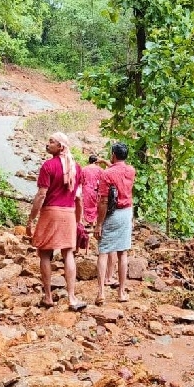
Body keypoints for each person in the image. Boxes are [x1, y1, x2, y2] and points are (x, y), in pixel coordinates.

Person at [26, 132, 87, 311]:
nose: (47, 144)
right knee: (68, 253)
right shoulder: (76, 168)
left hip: (51, 212)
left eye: (51, 141)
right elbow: (78, 198)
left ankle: (48, 296)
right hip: (68, 213)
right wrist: (78, 220)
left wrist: (31, 218)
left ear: (60, 146)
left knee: (44, 253)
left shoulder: (48, 166)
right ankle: (72, 297)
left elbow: (41, 194)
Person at [94, 142, 136, 305]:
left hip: (112, 214)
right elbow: (118, 169)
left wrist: (99, 224)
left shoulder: (107, 174)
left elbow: (104, 201)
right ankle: (121, 292)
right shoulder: (131, 171)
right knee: (122, 253)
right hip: (127, 213)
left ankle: (101, 293)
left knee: (103, 252)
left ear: (113, 154)